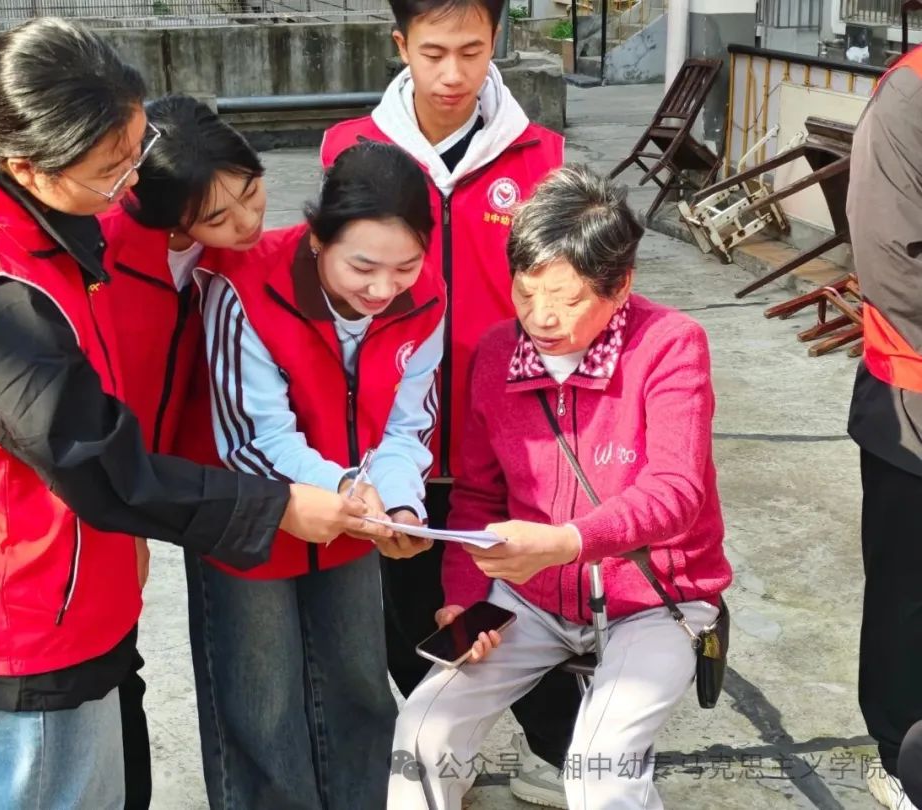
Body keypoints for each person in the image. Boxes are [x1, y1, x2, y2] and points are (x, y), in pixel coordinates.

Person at [0, 19, 373, 809]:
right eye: (114, 171)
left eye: (138, 149)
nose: (133, 183)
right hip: (24, 604)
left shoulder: (25, 216)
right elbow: (102, 465)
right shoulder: (0, 302)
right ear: (30, 165)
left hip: (64, 568)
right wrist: (275, 506)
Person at [387, 166, 733, 810]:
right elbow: (479, 497)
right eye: (525, 293)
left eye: (568, 300)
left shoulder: (670, 345)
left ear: (620, 285)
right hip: (530, 596)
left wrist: (565, 541)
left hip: (655, 598)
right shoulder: (497, 352)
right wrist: (463, 599)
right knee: (422, 732)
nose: (541, 318)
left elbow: (675, 491)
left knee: (600, 767)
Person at [320, 0, 577, 802]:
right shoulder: (350, 149)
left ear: (497, 40)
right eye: (433, 52)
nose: (453, 74)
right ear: (401, 45)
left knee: (521, 601)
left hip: (510, 433)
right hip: (395, 433)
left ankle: (554, 748)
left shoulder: (541, 156)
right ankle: (445, 747)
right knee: (414, 611)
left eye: (473, 50)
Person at [186, 141, 441, 810]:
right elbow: (255, 438)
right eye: (362, 266)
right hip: (251, 515)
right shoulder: (245, 286)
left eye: (405, 266)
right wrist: (352, 493)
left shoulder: (427, 300)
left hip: (354, 517)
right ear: (317, 237)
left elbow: (407, 426)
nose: (383, 290)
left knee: (359, 686)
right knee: (263, 704)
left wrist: (402, 505)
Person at [94, 93, 269, 808]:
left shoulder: (244, 257)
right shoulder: (99, 254)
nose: (246, 224)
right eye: (218, 218)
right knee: (111, 664)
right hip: (107, 481)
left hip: (195, 474)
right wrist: (125, 515)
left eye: (252, 193)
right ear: (166, 218)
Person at [845, 41, 922, 810]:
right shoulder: (909, 95)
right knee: (909, 595)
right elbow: (891, 263)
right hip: (913, 403)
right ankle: (900, 759)